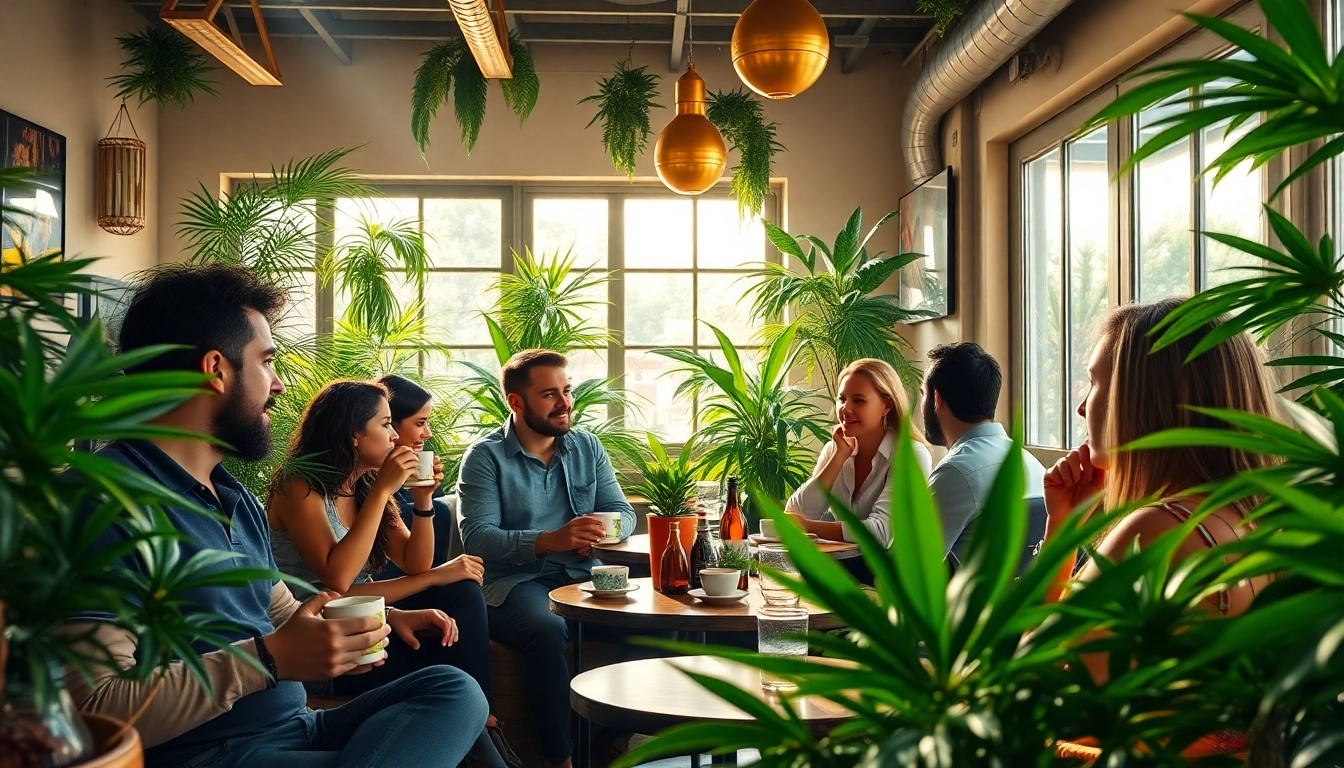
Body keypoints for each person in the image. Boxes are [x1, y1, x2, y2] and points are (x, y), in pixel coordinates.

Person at [61, 263, 487, 768]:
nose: (280, 385)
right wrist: (266, 661)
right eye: (267, 362)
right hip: (213, 751)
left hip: (295, 724)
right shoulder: (103, 500)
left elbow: (281, 611)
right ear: (216, 369)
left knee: (454, 689)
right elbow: (91, 711)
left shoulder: (232, 496)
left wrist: (381, 618)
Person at [265, 379, 514, 766]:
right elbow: (338, 580)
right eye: (385, 424)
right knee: (443, 663)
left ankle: (480, 721)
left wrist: (423, 499)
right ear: (353, 435)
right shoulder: (299, 483)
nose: (396, 434)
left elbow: (416, 562)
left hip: (364, 617)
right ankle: (481, 729)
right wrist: (383, 492)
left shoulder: (362, 484)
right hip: (323, 640)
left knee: (461, 593)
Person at [457, 349, 636, 768]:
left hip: (583, 576)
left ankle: (604, 739)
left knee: (654, 625)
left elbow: (623, 512)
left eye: (567, 391)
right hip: (514, 585)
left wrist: (603, 530)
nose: (565, 403)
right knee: (546, 628)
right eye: (550, 394)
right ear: (516, 403)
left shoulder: (587, 446)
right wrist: (549, 540)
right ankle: (561, 760)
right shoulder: (485, 457)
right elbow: (478, 538)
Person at [1041, 298, 1277, 616]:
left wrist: (1062, 532)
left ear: (1143, 401)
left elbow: (1028, 658)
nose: (1082, 407)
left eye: (1095, 383)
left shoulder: (1153, 532)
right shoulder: (1253, 521)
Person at [921, 342, 1046, 567]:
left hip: (967, 602)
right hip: (1026, 600)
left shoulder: (955, 472)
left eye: (923, 394)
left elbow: (908, 567)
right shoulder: (1032, 463)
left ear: (937, 400)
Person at [785, 358, 933, 546]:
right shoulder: (835, 449)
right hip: (845, 568)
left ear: (886, 406)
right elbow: (795, 513)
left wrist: (808, 527)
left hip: (892, 573)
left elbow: (881, 533)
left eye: (858, 401)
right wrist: (839, 456)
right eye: (842, 399)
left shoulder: (910, 454)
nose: (845, 409)